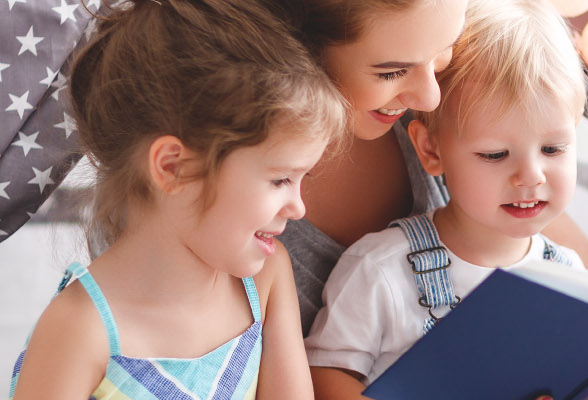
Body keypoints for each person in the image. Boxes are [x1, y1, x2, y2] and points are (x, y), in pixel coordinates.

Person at [6, 0, 347, 397]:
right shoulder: (79, 329)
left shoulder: (267, 279)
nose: (298, 206)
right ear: (173, 168)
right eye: (280, 180)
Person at [302, 1, 588, 397]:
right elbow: (323, 378)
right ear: (431, 151)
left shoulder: (568, 273)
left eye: (554, 149)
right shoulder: (380, 268)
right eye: (494, 155)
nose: (531, 176)